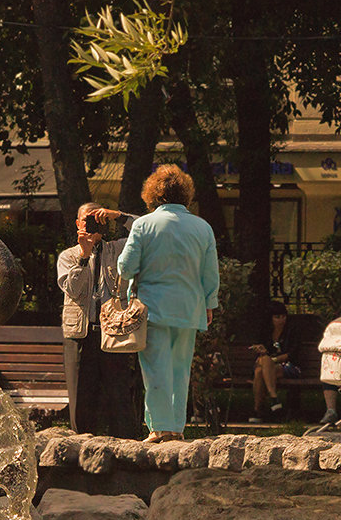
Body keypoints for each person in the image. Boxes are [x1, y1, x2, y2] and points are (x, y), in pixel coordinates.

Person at [117, 165, 219, 443]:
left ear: (153, 194)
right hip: (190, 308)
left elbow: (126, 268)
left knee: (155, 370)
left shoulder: (144, 225)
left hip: (152, 308)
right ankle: (176, 428)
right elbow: (210, 273)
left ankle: (159, 428)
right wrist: (210, 304)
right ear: (185, 193)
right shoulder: (202, 227)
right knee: (179, 369)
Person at [57, 202, 128, 434]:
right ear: (78, 224)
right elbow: (73, 290)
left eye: (96, 219)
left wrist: (117, 216)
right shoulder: (68, 256)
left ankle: (125, 453)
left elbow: (148, 233)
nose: (90, 224)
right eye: (86, 219)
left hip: (113, 334)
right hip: (80, 335)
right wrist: (84, 256)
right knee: (80, 402)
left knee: (120, 402)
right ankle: (79, 451)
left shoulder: (118, 249)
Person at [248, 301, 299, 423]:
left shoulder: (292, 331)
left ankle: (259, 409)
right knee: (261, 370)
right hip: (268, 366)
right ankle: (273, 398)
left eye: (283, 317)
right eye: (277, 317)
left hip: (289, 366)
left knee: (261, 369)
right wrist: (261, 350)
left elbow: (292, 354)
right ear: (270, 318)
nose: (281, 320)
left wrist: (272, 360)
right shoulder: (266, 332)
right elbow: (262, 351)